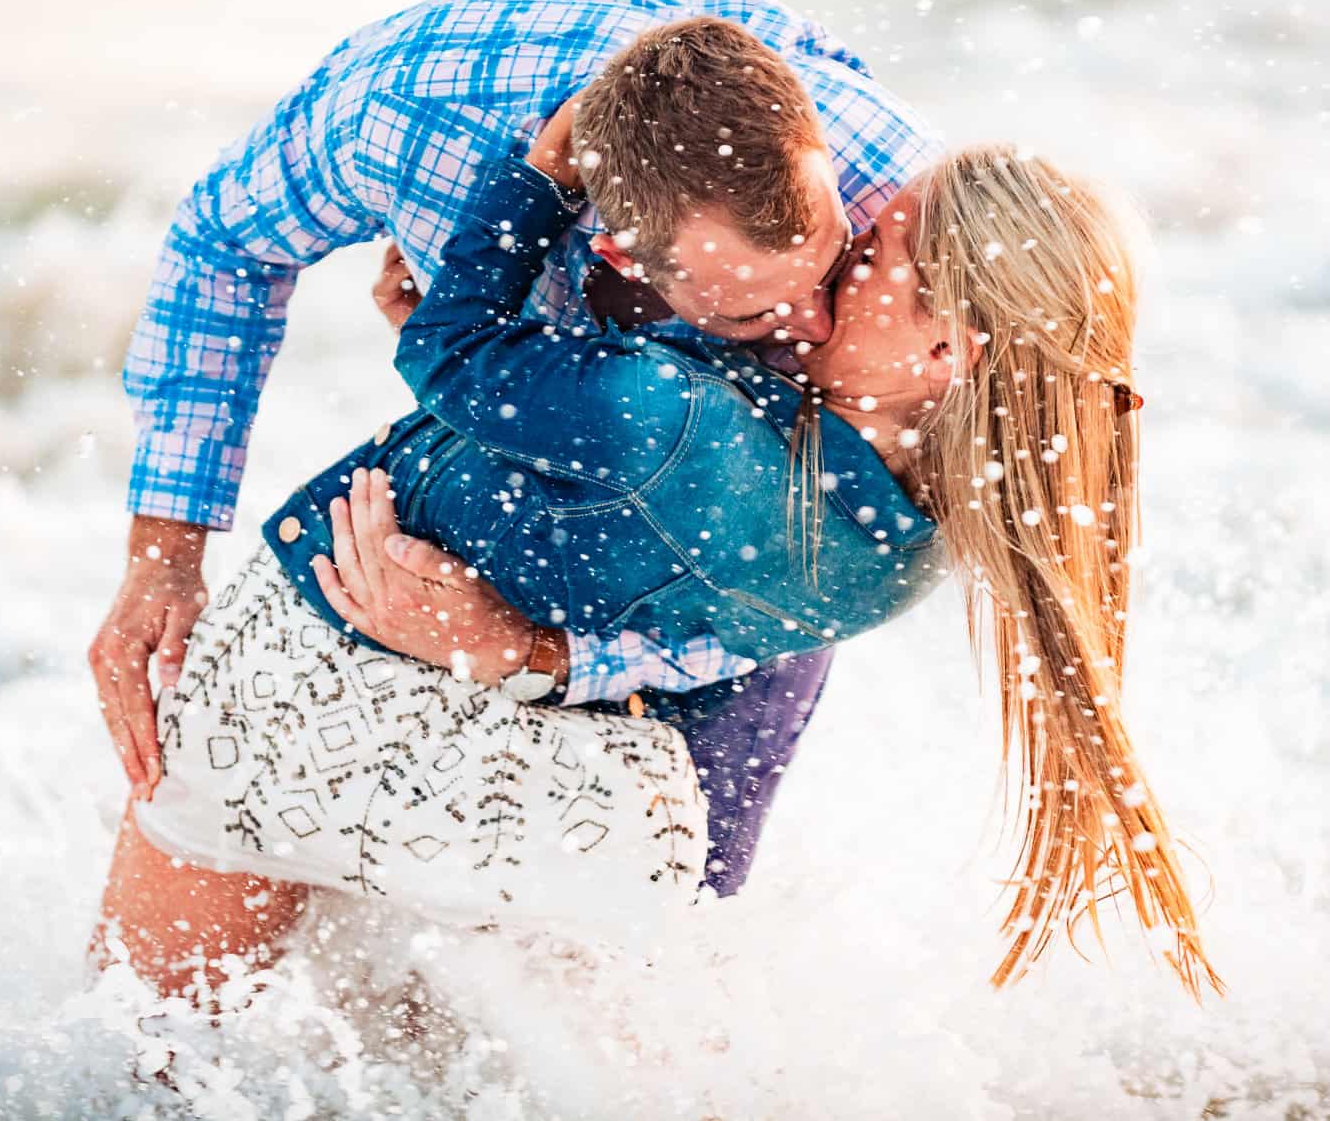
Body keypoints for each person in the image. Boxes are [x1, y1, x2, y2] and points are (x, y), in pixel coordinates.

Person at [96, 124, 1222, 1005]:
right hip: (593, 825)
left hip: (297, 676)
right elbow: (685, 617)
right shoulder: (905, 553)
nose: (838, 246)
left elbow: (464, 353)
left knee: (149, 1034)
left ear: (946, 348)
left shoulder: (675, 422)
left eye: (870, 249)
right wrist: (531, 652)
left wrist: (531, 194)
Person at [88, 0, 939, 908]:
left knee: (658, 946)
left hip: (734, 583)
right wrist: (163, 558)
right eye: (756, 311)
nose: (814, 327)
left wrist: (547, 656)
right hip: (472, 519)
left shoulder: (899, 197)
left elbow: (863, 540)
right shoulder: (401, 124)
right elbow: (222, 247)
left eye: (832, 271)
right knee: (216, 945)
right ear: (618, 253)